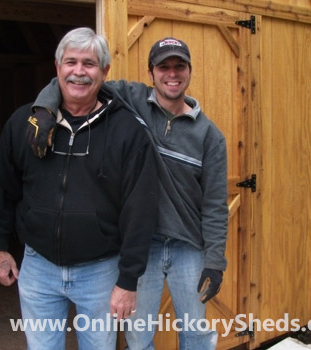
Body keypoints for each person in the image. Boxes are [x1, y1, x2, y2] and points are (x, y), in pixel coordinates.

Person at [31, 36, 228, 350]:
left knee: (196, 332)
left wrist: (215, 262)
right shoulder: (131, 98)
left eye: (180, 66)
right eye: (164, 67)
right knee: (137, 337)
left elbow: (216, 204)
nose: (172, 74)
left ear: (190, 71)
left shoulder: (210, 135)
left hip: (187, 246)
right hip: (141, 247)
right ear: (151, 73)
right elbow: (75, 80)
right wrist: (42, 110)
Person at [0, 27, 159, 350]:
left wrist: (128, 280)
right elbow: (3, 187)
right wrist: (0, 246)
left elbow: (141, 211)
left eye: (89, 64)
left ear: (105, 72)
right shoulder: (27, 124)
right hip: (38, 268)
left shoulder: (128, 132)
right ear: (57, 67)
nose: (79, 72)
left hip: (100, 272)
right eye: (71, 62)